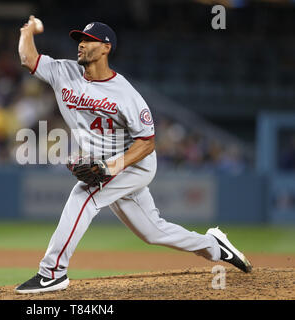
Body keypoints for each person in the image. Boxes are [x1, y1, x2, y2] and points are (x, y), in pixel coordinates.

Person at [15, 16, 252, 294]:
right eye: (79, 39)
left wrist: (112, 166)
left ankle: (52, 272)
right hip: (104, 164)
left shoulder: (126, 94)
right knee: (153, 231)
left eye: (88, 40)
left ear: (105, 48)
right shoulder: (62, 72)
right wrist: (27, 30)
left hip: (134, 163)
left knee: (83, 196)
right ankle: (214, 246)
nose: (80, 44)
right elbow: (27, 58)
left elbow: (147, 143)